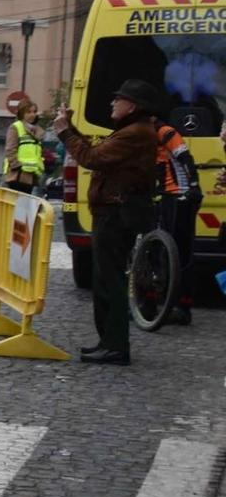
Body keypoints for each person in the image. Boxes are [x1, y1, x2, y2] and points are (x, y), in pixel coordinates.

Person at [55, 80, 164, 365]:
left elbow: (92, 158)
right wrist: (71, 128)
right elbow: (96, 150)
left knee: (110, 281)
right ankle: (108, 342)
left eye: (120, 99)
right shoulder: (131, 131)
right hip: (112, 211)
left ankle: (115, 345)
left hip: (117, 214)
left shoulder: (135, 134)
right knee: (104, 279)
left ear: (133, 106)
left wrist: (66, 133)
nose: (112, 103)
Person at [153, 115, 202, 326]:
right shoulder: (143, 135)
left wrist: (193, 188)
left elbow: (185, 158)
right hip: (165, 196)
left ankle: (183, 307)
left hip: (180, 196)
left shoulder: (166, 132)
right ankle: (156, 303)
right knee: (160, 252)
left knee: (180, 253)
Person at [2, 98, 44, 195]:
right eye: (28, 112)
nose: (32, 114)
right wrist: (16, 165)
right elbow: (10, 149)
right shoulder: (16, 127)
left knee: (25, 206)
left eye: (34, 111)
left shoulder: (36, 130)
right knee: (17, 205)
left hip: (31, 175)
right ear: (22, 113)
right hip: (17, 175)